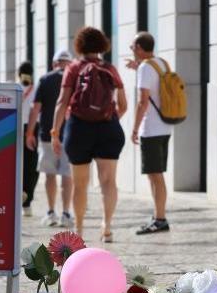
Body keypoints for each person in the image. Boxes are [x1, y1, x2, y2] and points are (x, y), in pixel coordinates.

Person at [51, 27, 128, 242]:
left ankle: (79, 229)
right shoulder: (110, 69)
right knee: (108, 181)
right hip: (108, 128)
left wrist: (55, 132)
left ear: (80, 45)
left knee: (80, 183)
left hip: (78, 129)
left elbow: (62, 102)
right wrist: (108, 118)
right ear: (102, 45)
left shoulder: (74, 68)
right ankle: (107, 227)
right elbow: (123, 105)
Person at [126, 32, 173, 235]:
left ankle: (160, 219)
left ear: (139, 48)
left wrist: (135, 128)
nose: (131, 50)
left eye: (132, 46)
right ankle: (158, 216)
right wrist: (138, 67)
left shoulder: (146, 67)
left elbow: (143, 101)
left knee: (155, 176)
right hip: (165, 126)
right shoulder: (161, 63)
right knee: (156, 174)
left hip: (151, 128)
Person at [26, 49, 74, 228]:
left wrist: (29, 132)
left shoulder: (45, 79)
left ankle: (51, 212)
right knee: (67, 175)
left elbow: (35, 108)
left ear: (54, 63)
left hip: (47, 134)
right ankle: (66, 213)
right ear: (70, 63)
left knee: (50, 174)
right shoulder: (75, 79)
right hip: (70, 134)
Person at [18, 61, 38, 218]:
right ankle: (27, 201)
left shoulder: (16, 89)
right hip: (34, 129)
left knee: (18, 165)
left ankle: (20, 196)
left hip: (17, 129)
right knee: (32, 167)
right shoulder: (36, 90)